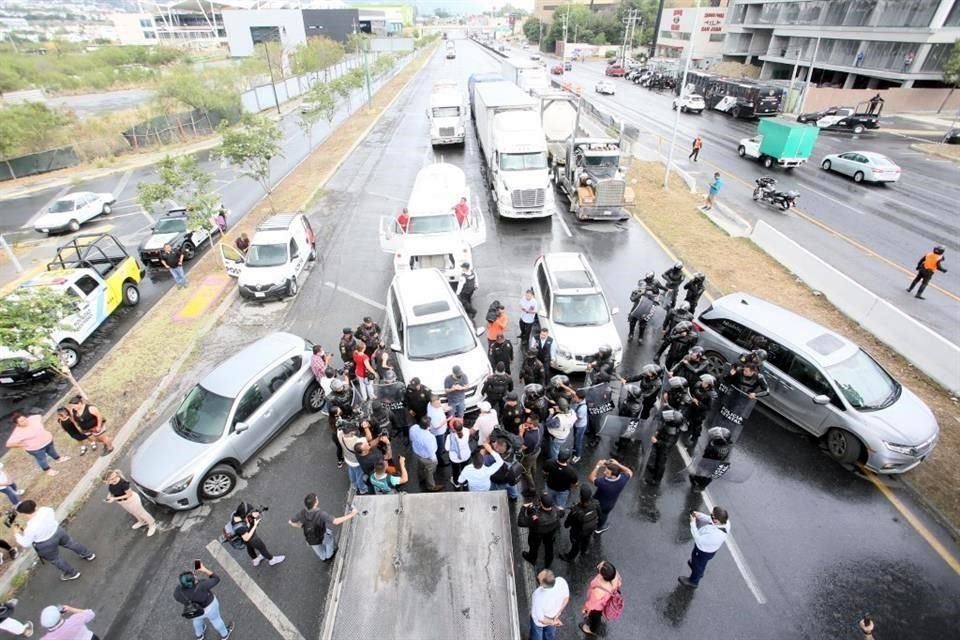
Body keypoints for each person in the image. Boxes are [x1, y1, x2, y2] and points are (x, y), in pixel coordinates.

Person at [14, 500, 95, 581]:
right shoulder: (46, 510)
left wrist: (16, 534)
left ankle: (72, 573)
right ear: (35, 506)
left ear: (25, 514)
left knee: (55, 559)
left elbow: (26, 543)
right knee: (71, 543)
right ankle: (88, 554)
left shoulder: (30, 528)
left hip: (45, 544)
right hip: (58, 531)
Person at [289, 493, 358, 561]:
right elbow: (336, 521)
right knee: (329, 542)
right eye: (317, 498)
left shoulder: (302, 512)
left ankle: (323, 558)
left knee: (318, 549)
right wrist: (352, 514)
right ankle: (329, 556)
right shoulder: (321, 515)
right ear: (315, 503)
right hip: (321, 535)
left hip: (310, 538)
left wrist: (302, 526)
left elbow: (291, 522)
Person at [174, 561, 233, 639]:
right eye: (194, 576)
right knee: (216, 620)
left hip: (194, 610)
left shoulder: (178, 591)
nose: (195, 575)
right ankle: (225, 634)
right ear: (194, 581)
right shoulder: (201, 585)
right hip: (210, 607)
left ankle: (200, 636)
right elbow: (216, 579)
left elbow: (177, 597)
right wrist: (203, 569)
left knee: (197, 621)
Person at [679, 507, 730, 588]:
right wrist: (697, 515)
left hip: (703, 550)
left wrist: (692, 522)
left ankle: (693, 581)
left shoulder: (714, 535)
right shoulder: (724, 522)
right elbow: (708, 518)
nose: (711, 516)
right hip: (708, 550)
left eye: (712, 515)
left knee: (697, 562)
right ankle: (699, 570)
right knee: (700, 562)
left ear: (717, 521)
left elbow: (697, 538)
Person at [103, 469, 157, 537]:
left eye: (106, 481)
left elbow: (129, 494)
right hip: (123, 502)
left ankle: (152, 524)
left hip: (132, 500)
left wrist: (114, 498)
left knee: (141, 512)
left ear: (111, 479)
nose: (105, 483)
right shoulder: (111, 483)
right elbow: (111, 490)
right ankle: (142, 522)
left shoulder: (123, 483)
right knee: (133, 512)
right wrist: (109, 496)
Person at [230, 503, 285, 567]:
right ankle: (272, 560)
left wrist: (252, 515)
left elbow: (245, 520)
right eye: (248, 512)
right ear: (244, 514)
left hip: (244, 538)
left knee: (249, 547)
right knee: (262, 547)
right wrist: (255, 525)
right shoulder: (240, 527)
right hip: (252, 538)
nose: (249, 513)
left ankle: (255, 560)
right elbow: (246, 538)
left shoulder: (234, 515)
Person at [645, 409, 687, 488]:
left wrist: (656, 442)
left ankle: (656, 480)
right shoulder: (671, 427)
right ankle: (654, 469)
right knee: (657, 460)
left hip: (663, 450)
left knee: (660, 463)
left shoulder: (672, 433)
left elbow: (666, 445)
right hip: (661, 444)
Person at [589, 459, 632, 534]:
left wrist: (598, 466)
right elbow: (629, 472)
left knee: (592, 511)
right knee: (603, 516)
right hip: (609, 504)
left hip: (597, 500)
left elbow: (591, 477)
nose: (604, 472)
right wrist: (618, 464)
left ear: (613, 476)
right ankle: (598, 528)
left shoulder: (603, 482)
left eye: (607, 472)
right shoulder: (623, 479)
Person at [559, 485, 600, 562]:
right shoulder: (596, 503)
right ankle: (584, 551)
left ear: (580, 496)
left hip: (577, 533)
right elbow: (599, 515)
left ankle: (570, 557)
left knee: (575, 546)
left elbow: (567, 524)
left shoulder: (576, 511)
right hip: (590, 530)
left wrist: (568, 521)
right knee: (586, 541)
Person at [520, 493, 561, 569]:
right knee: (549, 548)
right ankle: (548, 562)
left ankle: (532, 559)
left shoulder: (536, 516)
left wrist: (523, 508)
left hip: (537, 534)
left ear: (541, 503)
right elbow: (562, 512)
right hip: (550, 533)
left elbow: (521, 522)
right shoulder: (557, 511)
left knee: (534, 547)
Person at [581, 561, 622, 636]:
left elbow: (591, 604)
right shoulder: (614, 575)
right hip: (603, 602)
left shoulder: (598, 591)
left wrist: (585, 609)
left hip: (597, 607)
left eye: (600, 567)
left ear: (603, 575)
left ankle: (592, 629)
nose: (599, 565)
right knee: (596, 616)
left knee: (595, 617)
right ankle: (593, 626)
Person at [529, 569, 569, 640]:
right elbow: (566, 598)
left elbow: (541, 619)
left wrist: (553, 622)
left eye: (538, 580)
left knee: (537, 636)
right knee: (549, 636)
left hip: (540, 622)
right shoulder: (561, 581)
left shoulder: (538, 595)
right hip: (553, 616)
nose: (537, 577)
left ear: (543, 585)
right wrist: (559, 612)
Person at [689, 426, 732, 492]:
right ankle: (696, 479)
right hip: (705, 459)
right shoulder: (714, 441)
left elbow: (721, 458)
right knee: (697, 472)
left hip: (712, 464)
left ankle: (702, 486)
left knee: (706, 476)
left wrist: (712, 449)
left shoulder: (724, 449)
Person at [410, 417, 441, 492]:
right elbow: (431, 451)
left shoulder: (413, 428)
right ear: (429, 426)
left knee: (420, 467)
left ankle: (421, 477)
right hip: (427, 457)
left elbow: (411, 439)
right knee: (429, 471)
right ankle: (431, 486)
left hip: (417, 453)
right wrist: (435, 460)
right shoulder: (429, 437)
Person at [686, 373, 718, 445]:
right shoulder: (698, 385)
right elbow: (692, 390)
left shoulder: (711, 395)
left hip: (700, 412)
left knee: (697, 425)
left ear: (709, 385)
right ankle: (688, 429)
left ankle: (694, 437)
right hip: (692, 407)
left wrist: (699, 403)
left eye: (705, 383)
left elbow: (709, 407)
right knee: (690, 419)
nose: (703, 383)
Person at [518, 414, 543, 496]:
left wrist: (521, 433)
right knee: (533, 463)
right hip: (537, 450)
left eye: (528, 423)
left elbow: (521, 446)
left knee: (526, 471)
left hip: (530, 454)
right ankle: (534, 472)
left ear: (532, 424)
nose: (525, 423)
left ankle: (532, 489)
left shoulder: (529, 437)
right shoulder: (540, 426)